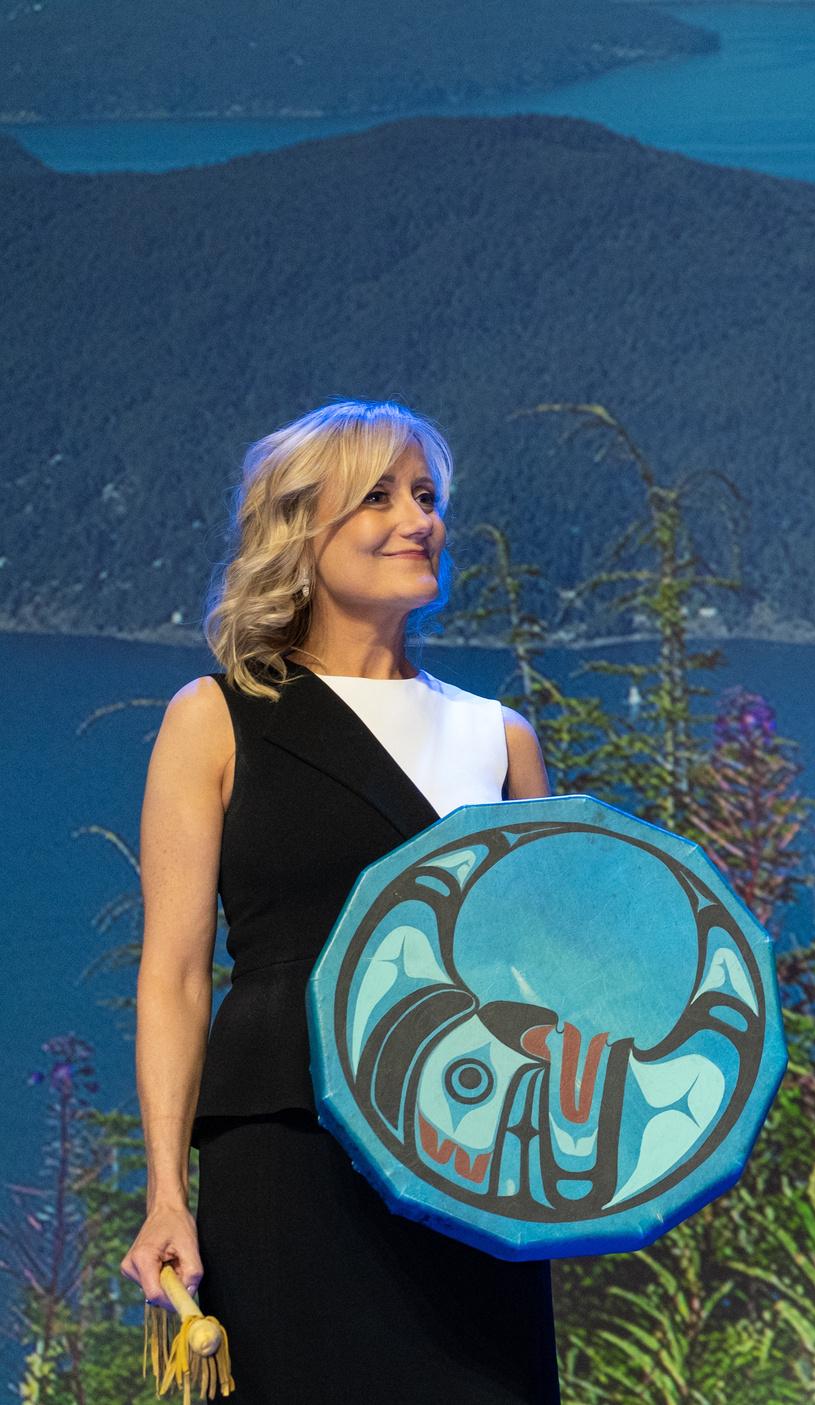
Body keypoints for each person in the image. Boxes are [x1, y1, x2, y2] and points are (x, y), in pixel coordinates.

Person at [118, 401, 561, 1402]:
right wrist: (166, 1195)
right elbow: (176, 976)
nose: (418, 520)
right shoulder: (216, 718)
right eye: (379, 497)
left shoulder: (502, 740)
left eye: (427, 496)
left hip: (473, 1164)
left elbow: (549, 982)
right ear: (300, 532)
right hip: (285, 1155)